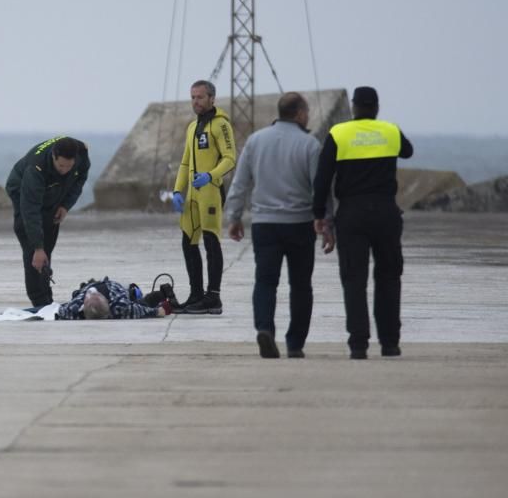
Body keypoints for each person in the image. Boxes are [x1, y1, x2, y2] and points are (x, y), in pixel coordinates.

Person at [224, 92, 335, 359]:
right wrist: (327, 220)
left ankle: (265, 329)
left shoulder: (255, 141)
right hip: (299, 225)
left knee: (265, 281)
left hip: (265, 225)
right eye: (306, 112)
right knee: (300, 285)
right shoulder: (309, 144)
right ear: (298, 113)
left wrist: (234, 216)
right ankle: (295, 344)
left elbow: (240, 183)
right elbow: (319, 188)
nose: (307, 117)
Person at [313, 86, 413, 359]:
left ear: (354, 107)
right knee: (390, 276)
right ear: (377, 107)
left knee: (354, 279)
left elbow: (322, 179)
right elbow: (408, 151)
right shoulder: (390, 130)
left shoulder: (338, 134)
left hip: (352, 214)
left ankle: (358, 344)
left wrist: (319, 214)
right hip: (385, 211)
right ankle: (390, 342)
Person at [171, 80, 237, 315]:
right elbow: (185, 162)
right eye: (192, 97)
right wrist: (178, 190)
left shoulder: (221, 125)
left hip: (211, 192)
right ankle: (196, 294)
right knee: (188, 242)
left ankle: (214, 297)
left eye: (199, 97)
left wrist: (211, 176)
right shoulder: (192, 127)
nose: (195, 102)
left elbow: (230, 158)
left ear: (211, 98)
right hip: (192, 197)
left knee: (211, 242)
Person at [5, 136, 90, 308]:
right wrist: (37, 247)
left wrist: (65, 205)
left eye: (69, 166)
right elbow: (30, 210)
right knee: (32, 246)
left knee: (48, 240)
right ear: (53, 156)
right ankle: (39, 300)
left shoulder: (81, 153)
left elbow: (80, 179)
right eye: (61, 166)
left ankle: (46, 296)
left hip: (53, 189)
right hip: (21, 189)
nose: (64, 170)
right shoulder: (35, 169)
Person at [56, 277, 170, 320]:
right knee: (142, 302)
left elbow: (54, 310)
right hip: (120, 289)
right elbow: (156, 312)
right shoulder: (122, 307)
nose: (92, 293)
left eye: (90, 296)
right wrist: (162, 308)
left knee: (76, 293)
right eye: (95, 295)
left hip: (102, 285)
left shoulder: (73, 309)